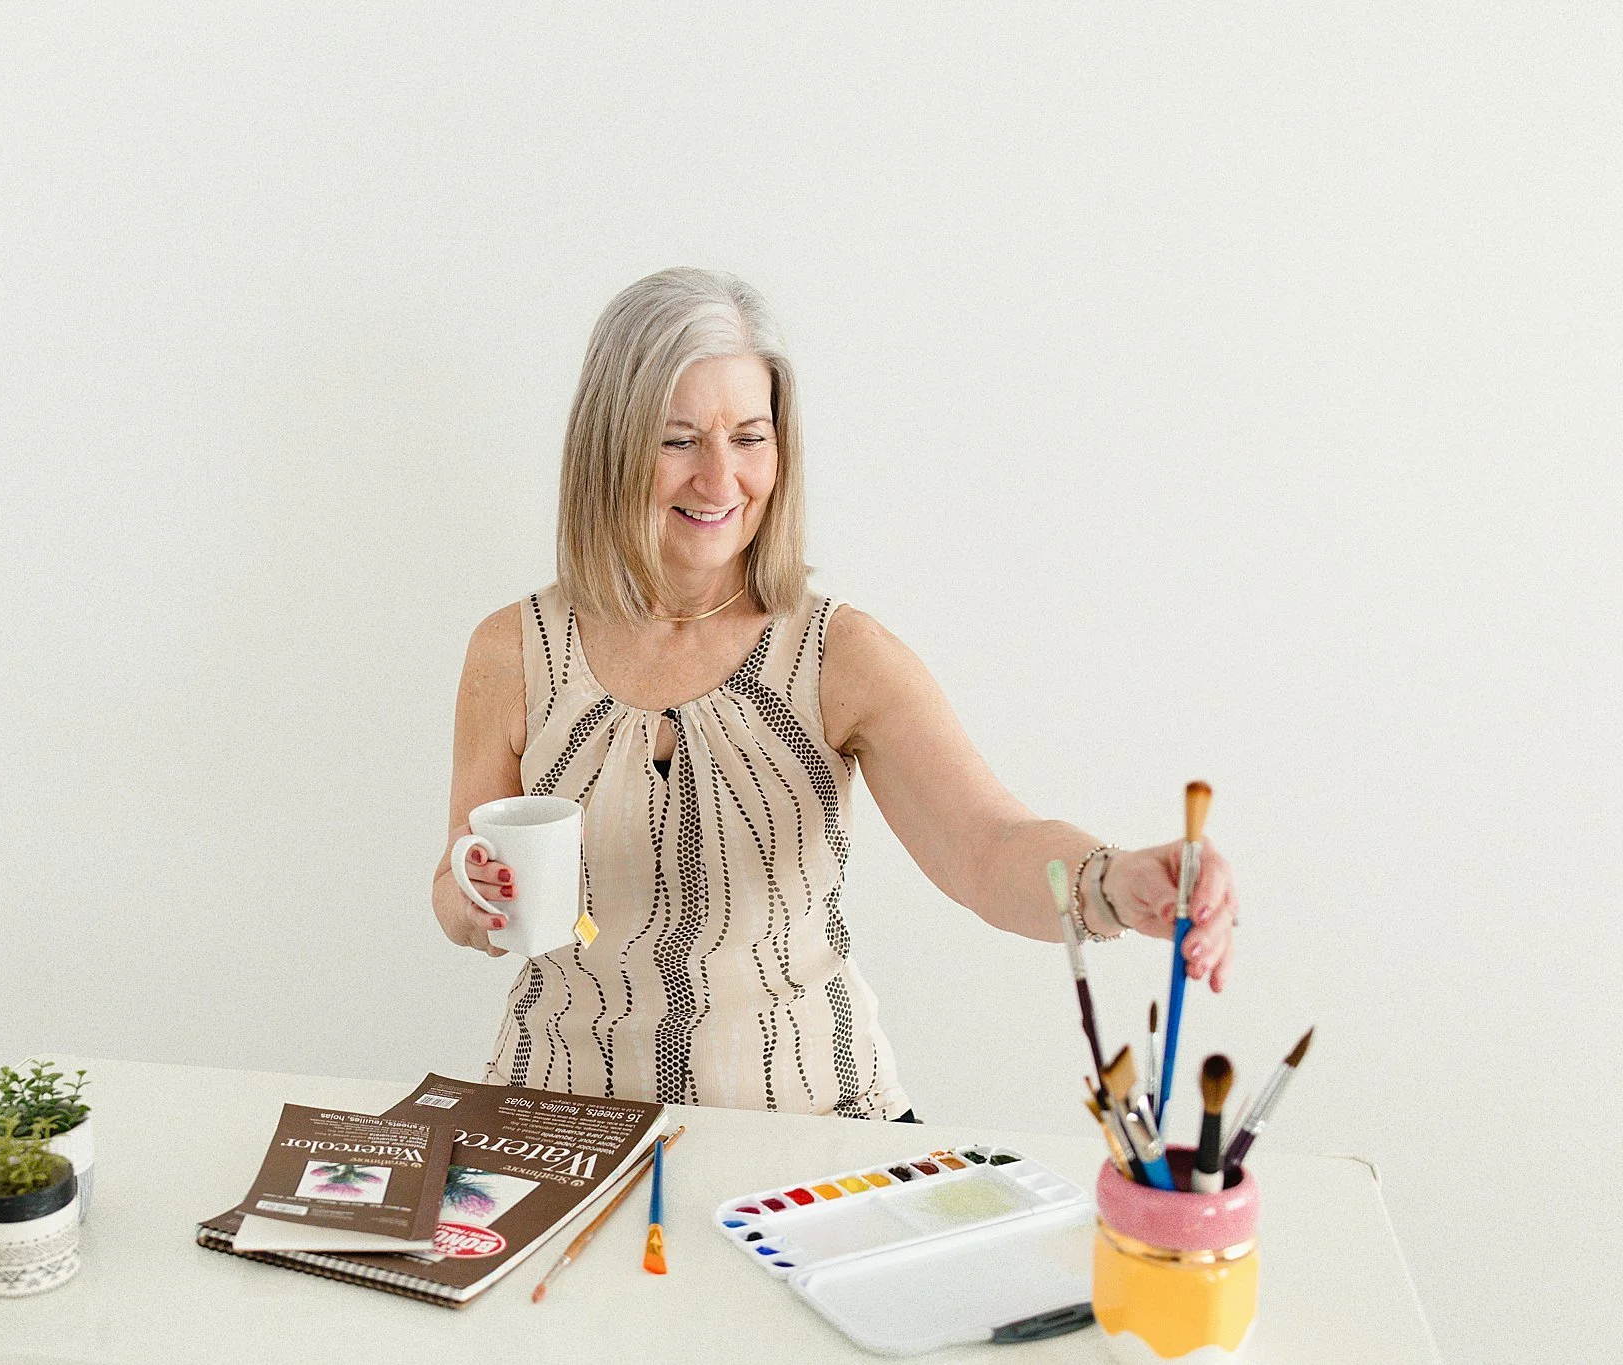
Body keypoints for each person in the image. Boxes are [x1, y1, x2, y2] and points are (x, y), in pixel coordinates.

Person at [431, 267, 1238, 1120]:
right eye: (678, 440)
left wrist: (1113, 883)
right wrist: (473, 894)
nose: (720, 479)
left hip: (815, 1140)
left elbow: (989, 848)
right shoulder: (510, 649)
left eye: (749, 436)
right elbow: (456, 885)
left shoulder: (837, 653)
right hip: (553, 1130)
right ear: (610, 447)